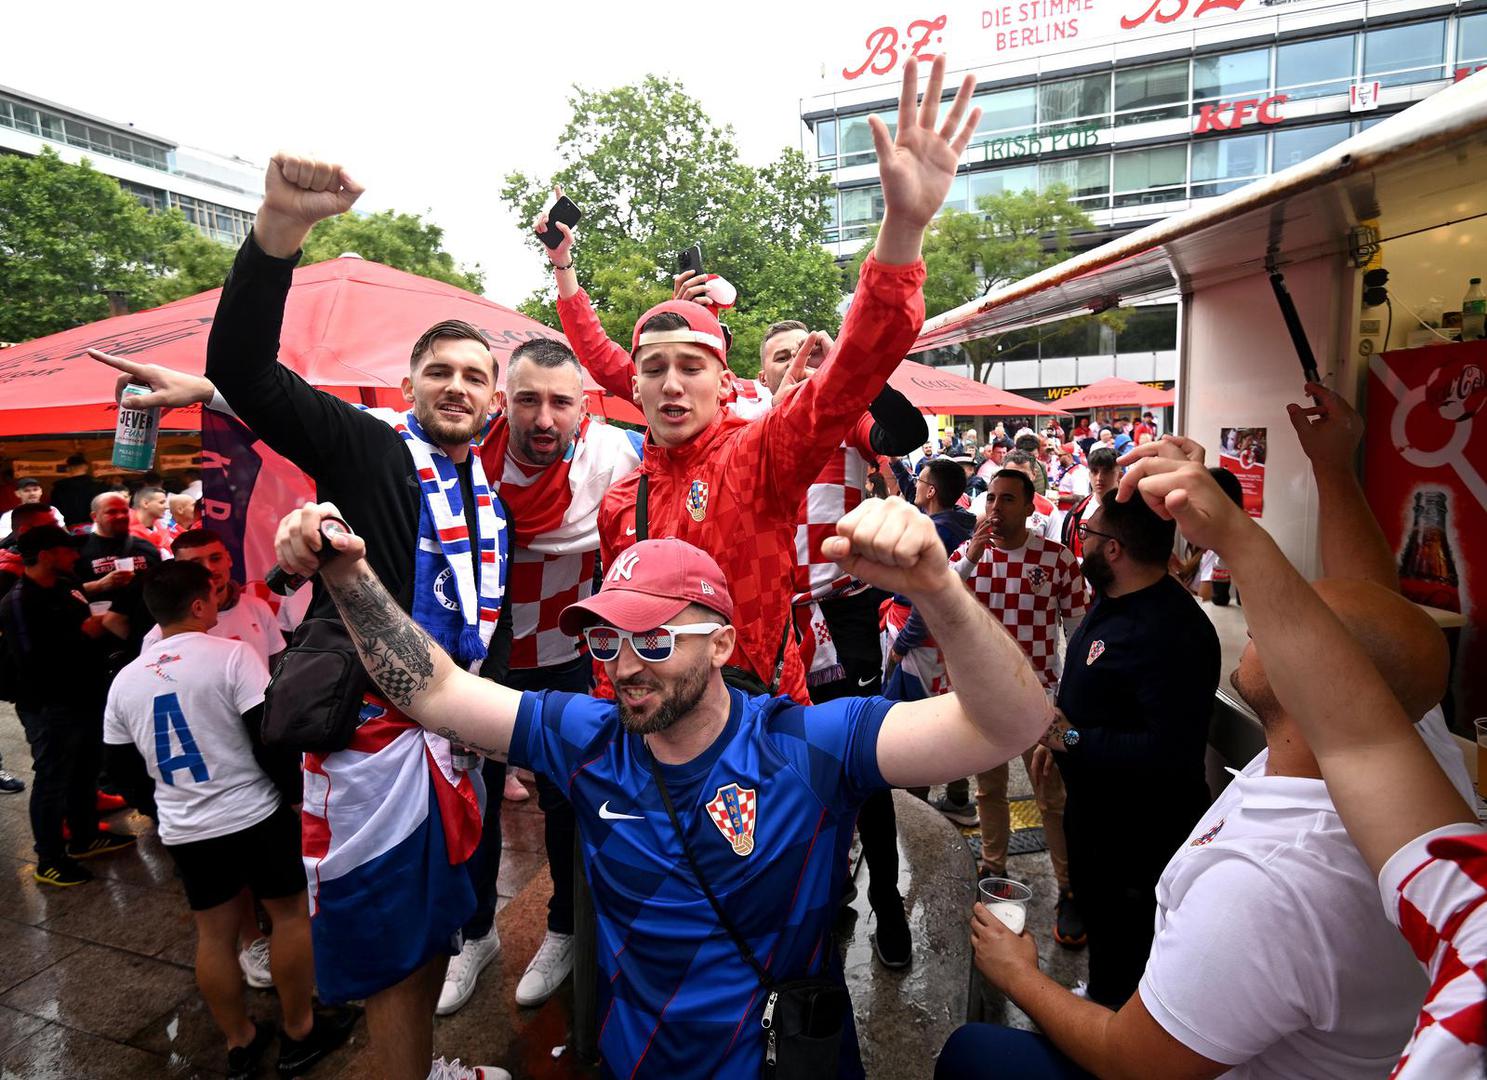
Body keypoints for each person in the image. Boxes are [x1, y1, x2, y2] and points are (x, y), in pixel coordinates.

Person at [274, 488, 1055, 1079]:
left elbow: (1010, 726)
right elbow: (435, 691)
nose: (622, 664)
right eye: (608, 639)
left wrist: (936, 587)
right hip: (632, 1060)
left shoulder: (808, 743)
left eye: (653, 638)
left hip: (780, 1063)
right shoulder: (585, 736)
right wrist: (349, 574)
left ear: (720, 645)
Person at [91, 152, 513, 1080]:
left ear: (495, 400)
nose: (455, 385)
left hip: (456, 741)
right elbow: (247, 365)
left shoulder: (488, 490)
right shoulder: (372, 452)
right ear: (409, 388)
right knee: (398, 959)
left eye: (474, 375)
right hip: (376, 751)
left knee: (433, 934)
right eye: (437, 370)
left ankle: (426, 1067)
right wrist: (279, 232)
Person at [944, 427, 1484, 1078]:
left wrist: (1018, 974)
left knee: (969, 1055)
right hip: (1111, 850)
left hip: (1157, 1015)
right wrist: (1320, 472)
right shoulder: (1409, 744)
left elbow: (1131, 1059)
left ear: (1321, 680)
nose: (1265, 621)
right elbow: (1373, 603)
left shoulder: (1266, 891)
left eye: (1298, 622)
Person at [547, 55, 981, 707]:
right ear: (633, 391)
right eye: (654, 369)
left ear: (725, 383)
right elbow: (619, 637)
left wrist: (902, 230)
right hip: (651, 741)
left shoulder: (762, 451)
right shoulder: (618, 502)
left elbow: (857, 368)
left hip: (762, 719)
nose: (670, 385)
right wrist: (564, 274)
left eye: (691, 367)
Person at [103, 561, 357, 1079]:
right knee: (288, 916)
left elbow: (121, 771)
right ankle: (300, 1030)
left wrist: (162, 808)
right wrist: (293, 800)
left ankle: (239, 1042)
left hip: (186, 828)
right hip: (252, 814)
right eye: (212, 595)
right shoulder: (231, 656)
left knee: (213, 936)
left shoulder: (125, 681)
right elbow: (270, 737)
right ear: (198, 605)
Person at [446, 336, 640, 1016]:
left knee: (566, 805)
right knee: (470, 800)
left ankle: (562, 928)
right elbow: (343, 431)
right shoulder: (461, 450)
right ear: (503, 401)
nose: (543, 419)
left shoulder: (613, 457)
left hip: (563, 662)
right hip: (480, 662)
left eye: (560, 402)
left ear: (583, 408)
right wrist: (215, 391)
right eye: (527, 400)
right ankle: (474, 935)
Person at [1039, 485, 1220, 1008]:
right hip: (1094, 819)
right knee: (1106, 937)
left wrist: (1068, 738)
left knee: (1131, 948)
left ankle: (1112, 1029)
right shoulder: (1111, 598)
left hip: (1138, 835)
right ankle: (1101, 995)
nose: (1080, 543)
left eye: (1088, 534)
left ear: (1113, 548)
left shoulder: (1172, 631)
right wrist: (1060, 744)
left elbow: (1168, 751)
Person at [140, 527, 294, 994]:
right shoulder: (157, 641)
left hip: (264, 761)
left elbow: (279, 670)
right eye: (199, 562)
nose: (213, 570)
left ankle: (288, 939)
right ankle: (252, 942)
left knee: (277, 876)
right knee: (232, 888)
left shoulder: (254, 608)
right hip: (214, 776)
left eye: (217, 558)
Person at [948, 469, 1088, 948]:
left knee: (1053, 794)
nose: (995, 508)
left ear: (1032, 506)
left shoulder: (1057, 559)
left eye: (1007, 499)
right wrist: (970, 556)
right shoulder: (969, 557)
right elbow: (938, 597)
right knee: (989, 790)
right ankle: (994, 869)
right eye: (990, 498)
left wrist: (1069, 699)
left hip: (1041, 700)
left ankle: (1069, 888)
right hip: (984, 698)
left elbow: (1080, 630)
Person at [0, 526, 136, 886]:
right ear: (46, 555)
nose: (75, 556)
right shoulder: (18, 601)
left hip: (84, 695)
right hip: (49, 705)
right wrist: (84, 634)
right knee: (52, 779)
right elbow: (32, 660)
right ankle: (49, 858)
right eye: (66, 550)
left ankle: (85, 835)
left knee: (84, 770)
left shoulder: (65, 584)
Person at [882, 456, 975, 707]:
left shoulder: (934, 534)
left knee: (909, 711)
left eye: (919, 479)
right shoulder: (954, 518)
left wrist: (901, 646)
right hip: (935, 635)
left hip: (918, 639)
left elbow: (927, 601)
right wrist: (895, 462)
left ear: (932, 491)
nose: (915, 485)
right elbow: (915, 491)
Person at [77, 491, 163, 657]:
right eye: (112, 512)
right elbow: (67, 593)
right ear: (95, 516)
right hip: (101, 642)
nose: (120, 516)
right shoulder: (80, 550)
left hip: (145, 637)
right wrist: (100, 585)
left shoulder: (146, 547)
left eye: (124, 511)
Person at [1059, 446, 1119, 563]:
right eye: (1095, 471)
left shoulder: (1132, 510)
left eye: (1106, 471)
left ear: (1119, 473)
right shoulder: (1077, 512)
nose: (1099, 478)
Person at [49, 455, 101, 528]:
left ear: (68, 468)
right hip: (95, 528)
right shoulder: (99, 485)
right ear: (86, 467)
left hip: (68, 529)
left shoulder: (59, 488)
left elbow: (54, 512)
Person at [130, 485, 174, 556]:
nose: (166, 507)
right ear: (145, 503)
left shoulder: (161, 528)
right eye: (161, 502)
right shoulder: (126, 535)